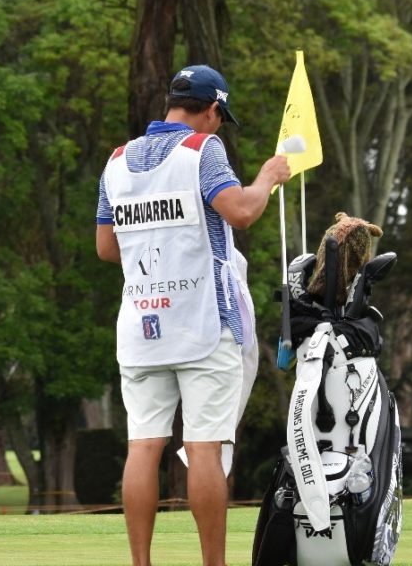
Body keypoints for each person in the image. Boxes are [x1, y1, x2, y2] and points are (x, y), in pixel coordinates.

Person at [95, 66, 291, 566]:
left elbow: (105, 248)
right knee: (204, 449)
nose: (219, 126)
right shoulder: (203, 150)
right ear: (211, 109)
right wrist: (269, 175)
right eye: (221, 118)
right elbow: (242, 211)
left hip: (141, 325)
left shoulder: (116, 162)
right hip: (203, 322)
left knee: (144, 446)